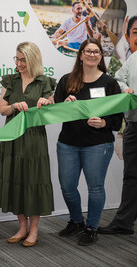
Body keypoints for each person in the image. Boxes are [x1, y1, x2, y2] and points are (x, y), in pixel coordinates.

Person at [54, 38, 122, 246]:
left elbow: (118, 118)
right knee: (67, 187)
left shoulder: (110, 83)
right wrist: (64, 105)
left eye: (96, 52)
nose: (92, 54)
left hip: (98, 145)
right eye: (88, 51)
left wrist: (104, 123)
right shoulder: (67, 80)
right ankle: (76, 221)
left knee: (95, 188)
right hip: (68, 143)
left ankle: (91, 227)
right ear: (81, 54)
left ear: (101, 56)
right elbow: (55, 112)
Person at [0, 42, 56, 247]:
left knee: (33, 181)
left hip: (35, 140)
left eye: (22, 60)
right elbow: (2, 109)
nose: (18, 63)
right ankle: (22, 227)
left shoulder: (45, 82)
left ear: (32, 60)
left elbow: (52, 110)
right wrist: (13, 106)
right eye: (16, 59)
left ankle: (34, 230)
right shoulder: (10, 80)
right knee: (15, 178)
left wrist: (47, 104)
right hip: (13, 138)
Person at [98, 16, 137, 235]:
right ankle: (124, 223)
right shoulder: (134, 58)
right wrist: (125, 89)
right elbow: (118, 79)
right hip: (133, 126)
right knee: (131, 176)